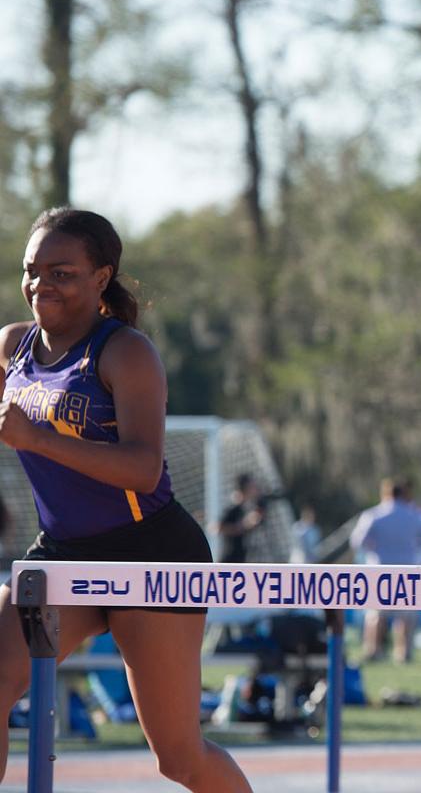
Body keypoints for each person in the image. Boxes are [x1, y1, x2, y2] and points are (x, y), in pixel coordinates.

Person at [0, 208, 251, 791]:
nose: (41, 285)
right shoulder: (14, 345)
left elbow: (142, 470)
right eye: (31, 271)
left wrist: (37, 438)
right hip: (62, 554)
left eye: (61, 272)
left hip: (151, 555)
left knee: (179, 758)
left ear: (101, 275)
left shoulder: (125, 352)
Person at [351, 478, 421, 663]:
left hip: (381, 570)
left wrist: (374, 547)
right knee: (405, 615)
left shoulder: (374, 515)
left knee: (376, 614)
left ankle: (373, 649)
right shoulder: (415, 516)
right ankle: (403, 652)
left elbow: (357, 541)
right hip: (407, 570)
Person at [218, 473, 264, 563]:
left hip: (246, 558)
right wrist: (241, 526)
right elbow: (218, 527)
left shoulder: (253, 507)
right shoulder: (234, 508)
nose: (256, 489)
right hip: (231, 560)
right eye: (252, 486)